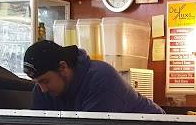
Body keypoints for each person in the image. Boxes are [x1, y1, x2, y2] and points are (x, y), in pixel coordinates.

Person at [23, 40, 164, 114]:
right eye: (37, 83)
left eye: (45, 81)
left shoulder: (101, 79)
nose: (43, 89)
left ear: (63, 68)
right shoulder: (42, 90)